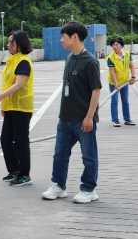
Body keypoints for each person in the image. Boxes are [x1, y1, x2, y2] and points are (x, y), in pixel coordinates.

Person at [42, 22, 102, 204]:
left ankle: (89, 189)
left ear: (74, 37)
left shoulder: (90, 62)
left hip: (83, 119)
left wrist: (89, 117)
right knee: (60, 153)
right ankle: (58, 186)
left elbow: (96, 90)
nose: (61, 40)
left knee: (88, 155)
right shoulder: (69, 59)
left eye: (64, 37)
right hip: (65, 118)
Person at [0, 30, 35, 187]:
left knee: (21, 141)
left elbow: (19, 84)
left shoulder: (23, 61)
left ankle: (24, 175)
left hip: (21, 108)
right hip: (11, 107)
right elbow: (7, 83)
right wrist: (4, 106)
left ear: (19, 44)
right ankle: (14, 170)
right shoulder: (12, 60)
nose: (8, 45)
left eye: (11, 42)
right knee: (5, 139)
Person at [106, 37, 137, 127]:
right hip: (113, 82)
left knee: (125, 101)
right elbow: (112, 72)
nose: (114, 46)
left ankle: (127, 119)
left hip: (125, 82)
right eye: (113, 45)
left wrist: (133, 77)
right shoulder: (110, 58)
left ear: (121, 45)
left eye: (117, 44)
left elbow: (131, 66)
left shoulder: (127, 54)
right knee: (114, 101)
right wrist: (116, 84)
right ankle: (115, 120)